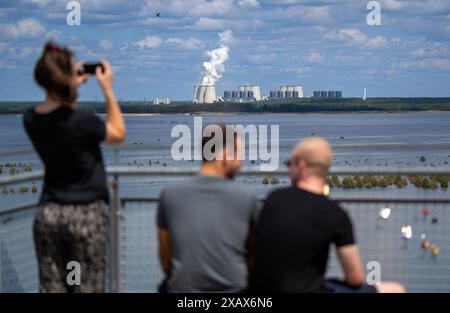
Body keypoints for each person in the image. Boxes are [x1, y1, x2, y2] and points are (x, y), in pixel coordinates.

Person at [23, 42, 125, 292]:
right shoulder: (84, 120)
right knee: (88, 286)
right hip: (87, 214)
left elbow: (56, 112)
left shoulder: (30, 119)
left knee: (52, 287)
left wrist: (68, 83)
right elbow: (117, 133)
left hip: (48, 214)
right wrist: (108, 90)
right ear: (66, 78)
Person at [250, 137, 406, 293]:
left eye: (290, 163)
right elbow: (355, 278)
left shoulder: (273, 198)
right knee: (396, 289)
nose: (289, 169)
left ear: (302, 165)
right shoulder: (336, 214)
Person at [157, 124, 260, 292]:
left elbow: (166, 257)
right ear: (226, 155)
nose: (241, 164)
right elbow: (251, 253)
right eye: (239, 156)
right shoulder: (247, 197)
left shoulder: (169, 195)